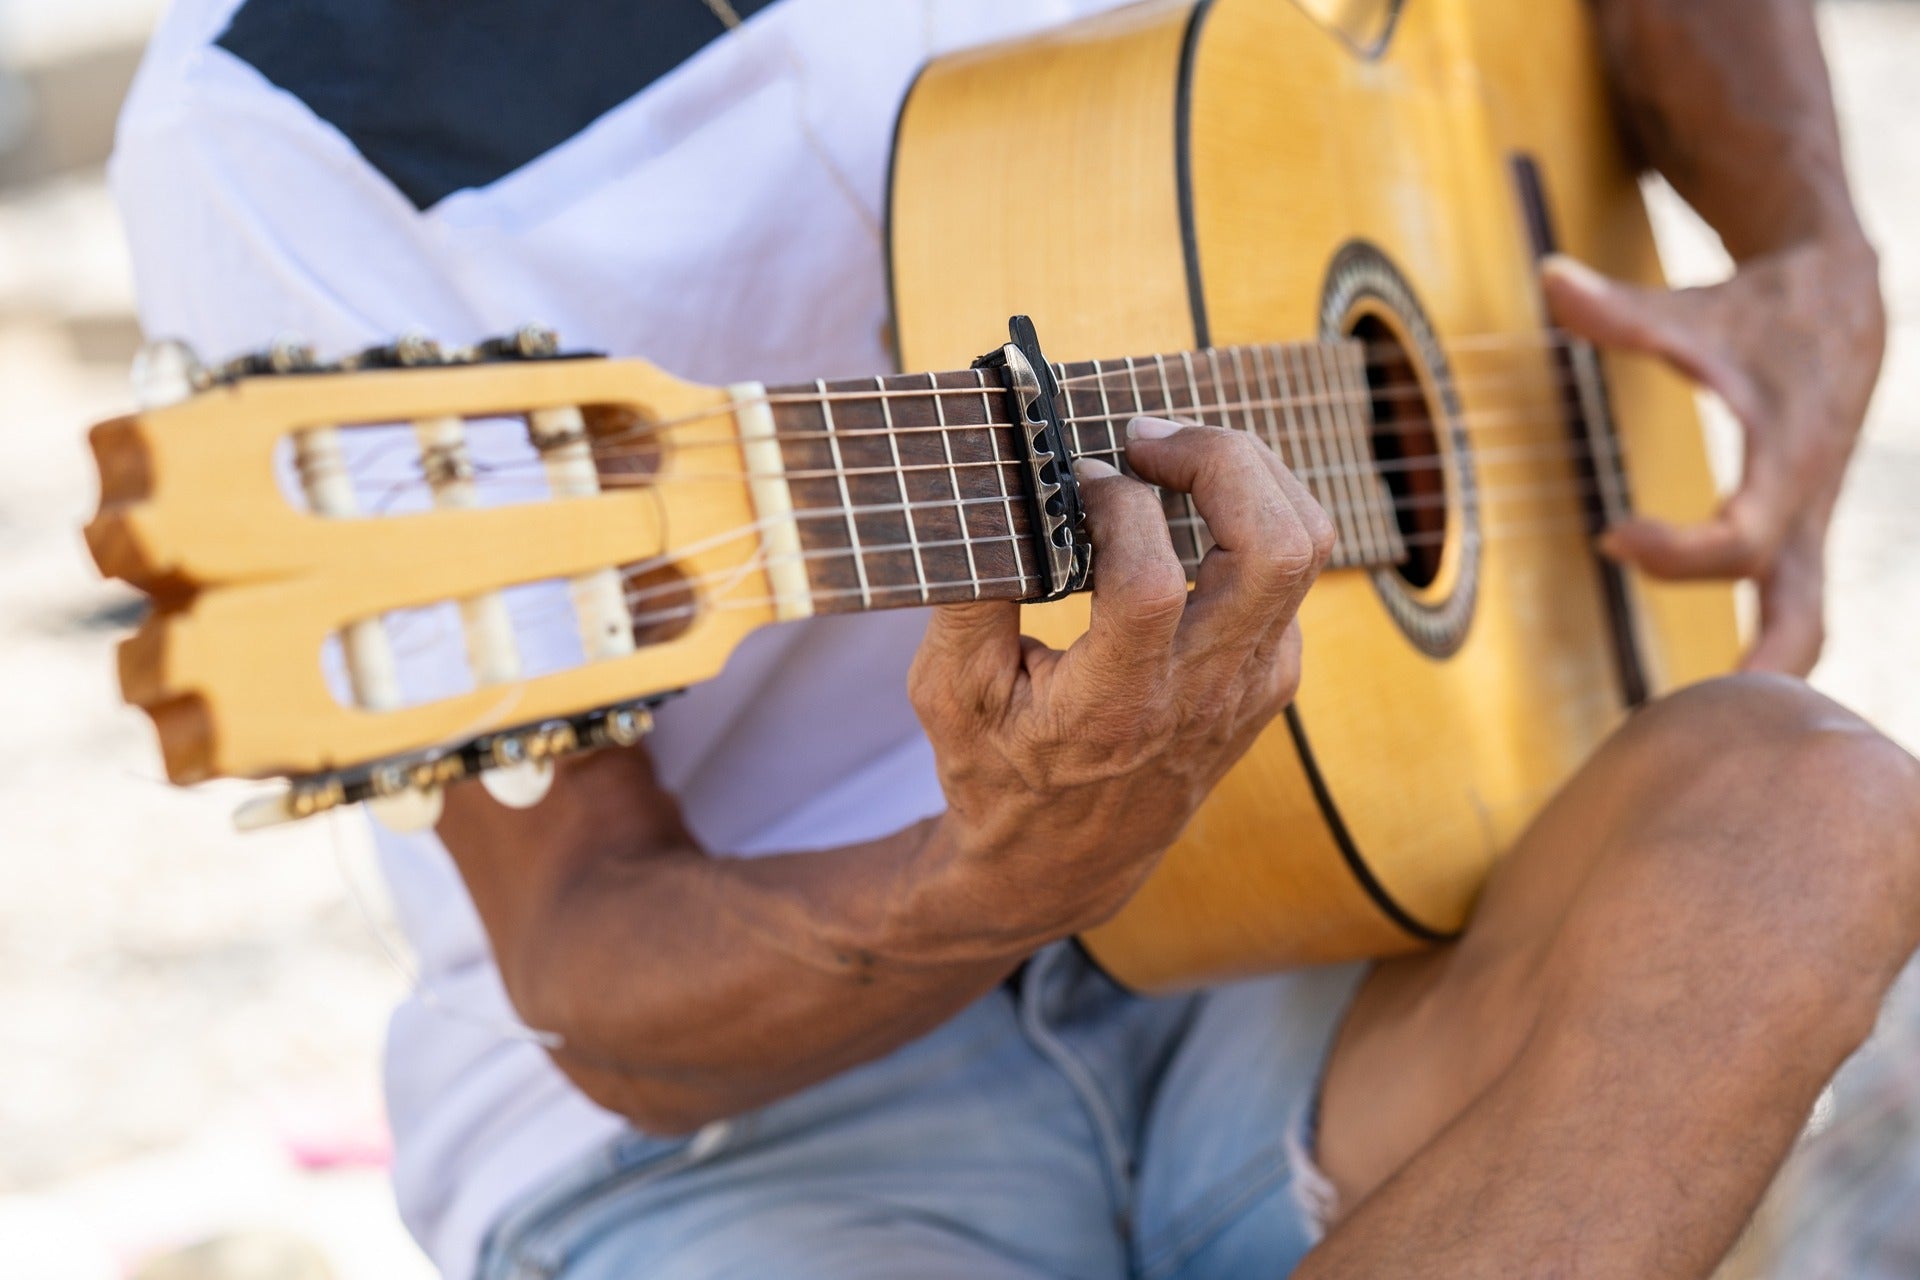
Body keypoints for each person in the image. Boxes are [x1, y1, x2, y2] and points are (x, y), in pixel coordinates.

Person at [110, 1, 1918, 1276]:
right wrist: (1004, 873)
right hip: (760, 1139)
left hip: (1325, 922)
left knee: (1811, 816)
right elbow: (592, 966)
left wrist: (1813, 246)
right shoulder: (284, 109)